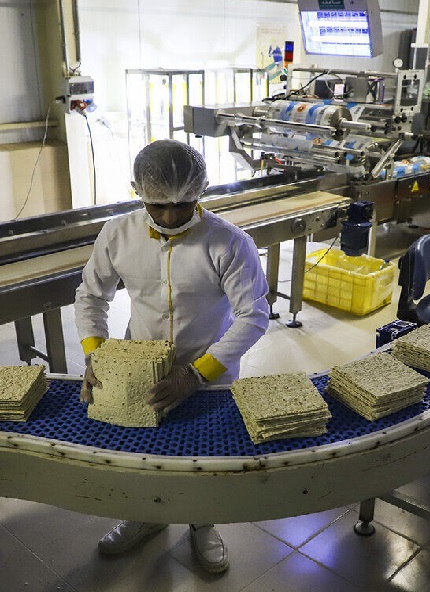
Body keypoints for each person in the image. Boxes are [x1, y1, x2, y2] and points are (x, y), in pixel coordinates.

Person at [75, 139, 270, 573]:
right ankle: (147, 515)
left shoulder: (228, 242)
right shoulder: (118, 234)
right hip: (138, 366)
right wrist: (96, 356)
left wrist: (195, 375)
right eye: (157, 205)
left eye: (182, 204)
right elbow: (91, 296)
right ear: (138, 192)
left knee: (204, 452)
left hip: (209, 370)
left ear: (200, 193)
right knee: (144, 449)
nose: (169, 217)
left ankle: (202, 522)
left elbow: (254, 316)